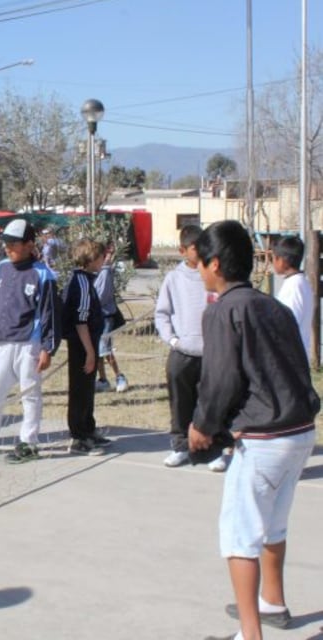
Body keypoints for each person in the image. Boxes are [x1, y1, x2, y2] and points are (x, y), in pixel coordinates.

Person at [188, 220, 319, 640]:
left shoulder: (223, 309)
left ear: (214, 264)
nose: (199, 270)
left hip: (264, 437)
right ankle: (272, 601)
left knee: (239, 535)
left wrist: (202, 426)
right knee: (273, 523)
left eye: (200, 263)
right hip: (300, 430)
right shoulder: (272, 305)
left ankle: (250, 633)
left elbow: (220, 380)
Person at [0, 220, 61, 461]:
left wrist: (47, 348)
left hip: (29, 343)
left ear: (30, 245)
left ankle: (28, 443)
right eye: (6, 243)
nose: (8, 248)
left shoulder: (43, 275)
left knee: (29, 394)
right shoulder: (0, 269)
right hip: (2, 342)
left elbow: (50, 315)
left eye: (14, 243)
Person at [154, 225, 225, 470]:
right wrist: (173, 340)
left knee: (211, 402)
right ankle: (180, 446)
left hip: (212, 353)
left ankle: (213, 450)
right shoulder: (173, 278)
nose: (201, 252)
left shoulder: (215, 274)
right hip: (182, 353)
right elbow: (162, 314)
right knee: (180, 403)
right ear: (183, 250)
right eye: (196, 248)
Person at [62, 237, 111, 456]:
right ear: (91, 259)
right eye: (101, 257)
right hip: (82, 345)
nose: (104, 261)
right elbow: (80, 321)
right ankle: (78, 436)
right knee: (79, 391)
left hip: (90, 342)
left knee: (88, 390)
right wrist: (91, 353)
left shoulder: (87, 280)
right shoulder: (81, 282)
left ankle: (89, 428)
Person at [272, 235, 313, 363]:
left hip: (290, 359)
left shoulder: (294, 287)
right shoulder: (299, 283)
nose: (273, 262)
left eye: (274, 258)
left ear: (282, 261)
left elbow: (286, 325)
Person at [94, 241, 128, 393]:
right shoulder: (98, 271)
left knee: (105, 350)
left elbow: (102, 295)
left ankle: (119, 377)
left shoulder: (105, 271)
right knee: (98, 351)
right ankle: (103, 379)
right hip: (96, 316)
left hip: (105, 317)